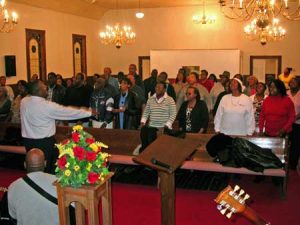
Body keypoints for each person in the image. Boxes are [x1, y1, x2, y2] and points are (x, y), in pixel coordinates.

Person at [21, 80, 93, 173]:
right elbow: (68, 112)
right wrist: (89, 112)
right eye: (44, 87)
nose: (46, 88)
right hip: (44, 143)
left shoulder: (24, 101)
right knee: (47, 171)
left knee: (32, 168)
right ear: (38, 91)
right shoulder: (46, 105)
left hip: (28, 142)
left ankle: (32, 185)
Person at [8, 149, 75, 225]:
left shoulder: (13, 187)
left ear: (25, 165)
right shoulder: (60, 182)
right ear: (45, 163)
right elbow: (74, 207)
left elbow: (13, 216)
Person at [140, 81, 177, 152]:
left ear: (164, 89)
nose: (157, 89)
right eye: (156, 87)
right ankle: (144, 152)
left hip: (164, 127)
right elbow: (146, 112)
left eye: (160, 87)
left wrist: (165, 126)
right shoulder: (151, 99)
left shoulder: (170, 100)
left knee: (151, 134)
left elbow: (173, 114)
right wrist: (143, 122)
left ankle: (150, 152)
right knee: (144, 130)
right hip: (152, 126)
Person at [287, 78, 300, 170]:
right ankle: (285, 162)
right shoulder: (286, 93)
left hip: (298, 123)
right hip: (286, 123)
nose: (292, 83)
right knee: (287, 143)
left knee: (296, 144)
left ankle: (293, 164)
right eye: (290, 82)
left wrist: (294, 118)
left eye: (294, 82)